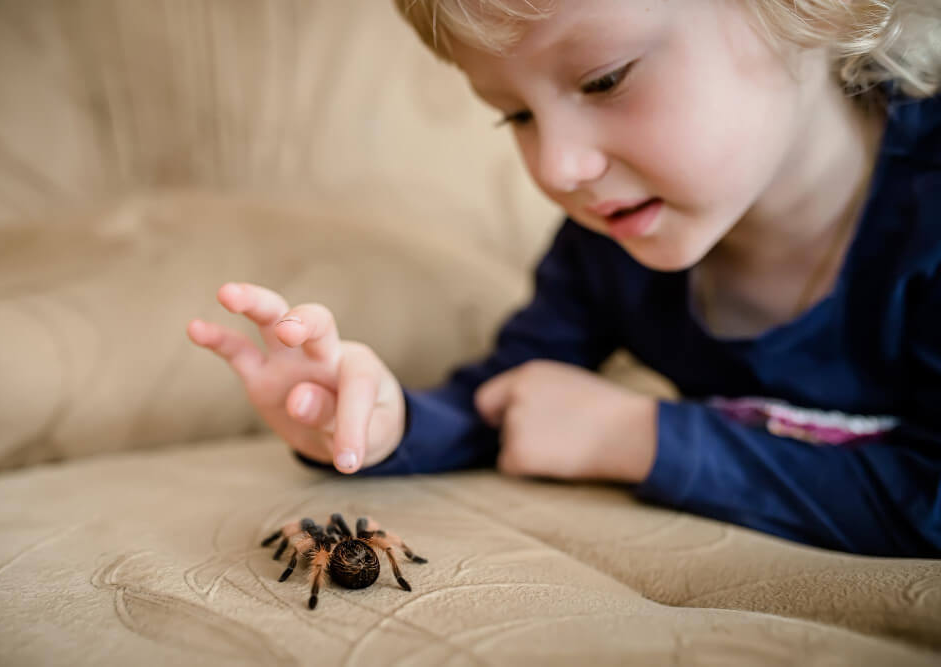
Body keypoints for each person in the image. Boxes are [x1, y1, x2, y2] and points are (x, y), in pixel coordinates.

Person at [187, 0, 941, 557]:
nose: (556, 167)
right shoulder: (606, 244)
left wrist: (641, 438)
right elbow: (509, 398)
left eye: (605, 79)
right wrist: (376, 420)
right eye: (514, 114)